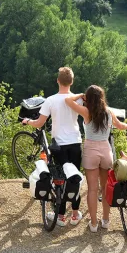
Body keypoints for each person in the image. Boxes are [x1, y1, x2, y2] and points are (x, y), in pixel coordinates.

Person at [65, 85, 127, 233]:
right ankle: (105, 221)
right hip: (106, 151)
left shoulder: (87, 112)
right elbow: (121, 126)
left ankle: (93, 224)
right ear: (102, 98)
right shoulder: (108, 112)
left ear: (89, 98)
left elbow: (67, 100)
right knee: (105, 188)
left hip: (90, 152)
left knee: (92, 189)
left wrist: (80, 95)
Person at [21, 67, 86, 227]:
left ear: (58, 80)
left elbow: (40, 123)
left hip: (59, 145)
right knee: (74, 178)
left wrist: (27, 121)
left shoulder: (50, 100)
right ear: (72, 82)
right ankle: (75, 214)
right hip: (76, 143)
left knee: (61, 180)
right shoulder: (78, 99)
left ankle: (61, 216)